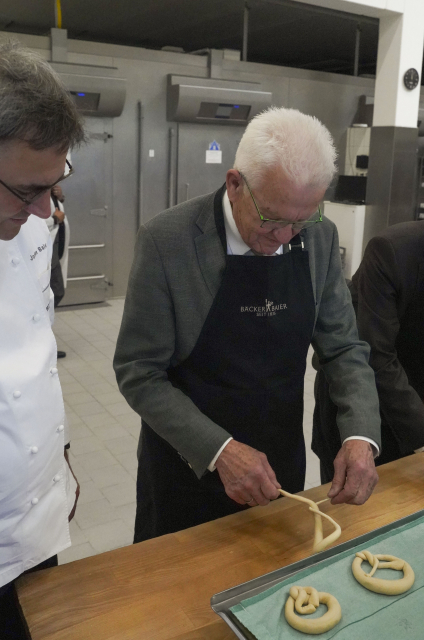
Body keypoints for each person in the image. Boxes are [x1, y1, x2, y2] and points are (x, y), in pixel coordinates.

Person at [114, 107, 381, 544]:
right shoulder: (168, 243)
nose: (285, 237)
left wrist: (360, 435)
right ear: (235, 184)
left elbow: (344, 349)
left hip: (279, 467)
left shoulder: (320, 238)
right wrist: (220, 451)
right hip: (189, 470)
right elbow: (138, 373)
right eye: (273, 219)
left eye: (301, 220)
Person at [0, 41, 85, 638]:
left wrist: (57, 464)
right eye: (28, 190)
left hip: (36, 526)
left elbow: (32, 362)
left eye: (55, 185)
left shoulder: (30, 224)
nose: (43, 211)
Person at [313, 221, 424, 483]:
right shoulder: (392, 251)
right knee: (355, 508)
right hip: (365, 397)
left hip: (415, 396)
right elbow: (378, 355)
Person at [46, 183, 69, 358]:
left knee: (55, 292)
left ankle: (45, 342)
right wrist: (55, 220)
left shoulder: (50, 188)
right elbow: (32, 219)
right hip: (46, 248)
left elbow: (56, 209)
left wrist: (60, 198)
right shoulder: (33, 187)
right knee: (56, 291)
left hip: (55, 246)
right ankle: (41, 340)